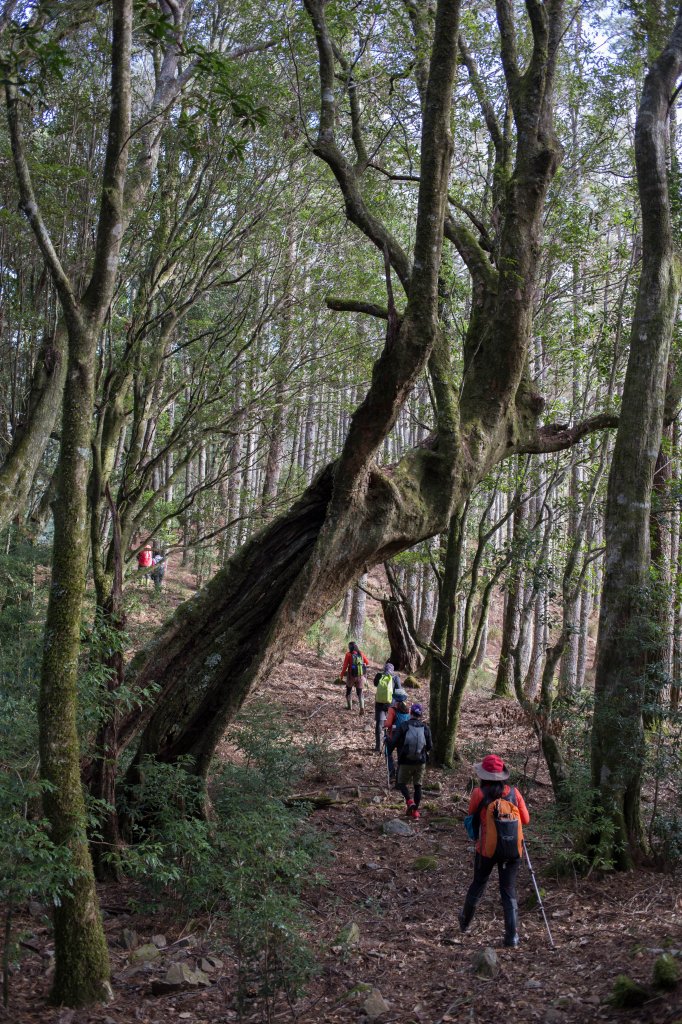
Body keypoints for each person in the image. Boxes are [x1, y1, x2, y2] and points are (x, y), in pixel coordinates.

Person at [458, 754, 530, 948]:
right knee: (508, 891)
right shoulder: (514, 793)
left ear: (484, 776)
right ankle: (512, 938)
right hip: (511, 851)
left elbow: (471, 814)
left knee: (478, 883)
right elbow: (525, 819)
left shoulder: (478, 794)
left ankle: (464, 922)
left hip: (486, 850)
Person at [386, 702, 431, 819]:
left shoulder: (404, 726)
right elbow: (430, 746)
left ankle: (409, 801)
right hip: (420, 761)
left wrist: (387, 740)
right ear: (420, 715)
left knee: (400, 783)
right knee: (418, 787)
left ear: (410, 712)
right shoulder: (425, 727)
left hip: (405, 761)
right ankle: (415, 812)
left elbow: (394, 743)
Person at [372, 661, 400, 752]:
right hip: (391, 704)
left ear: (384, 669)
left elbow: (375, 684)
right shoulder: (395, 678)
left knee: (379, 724)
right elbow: (399, 691)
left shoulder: (379, 676)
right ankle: (392, 745)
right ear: (392, 670)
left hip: (380, 703)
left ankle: (377, 747)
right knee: (392, 724)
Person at [383, 689, 410, 783]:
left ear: (395, 698)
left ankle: (392, 774)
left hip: (392, 736)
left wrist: (384, 723)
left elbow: (388, 724)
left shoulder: (392, 709)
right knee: (400, 757)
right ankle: (400, 777)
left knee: (387, 753)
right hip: (403, 737)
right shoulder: (407, 710)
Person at [338, 641, 369, 713]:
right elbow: (367, 662)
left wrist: (341, 675)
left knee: (348, 691)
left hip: (351, 676)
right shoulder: (361, 653)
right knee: (360, 692)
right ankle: (362, 707)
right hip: (360, 676)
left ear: (350, 647)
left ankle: (349, 707)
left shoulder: (348, 654)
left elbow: (345, 666)